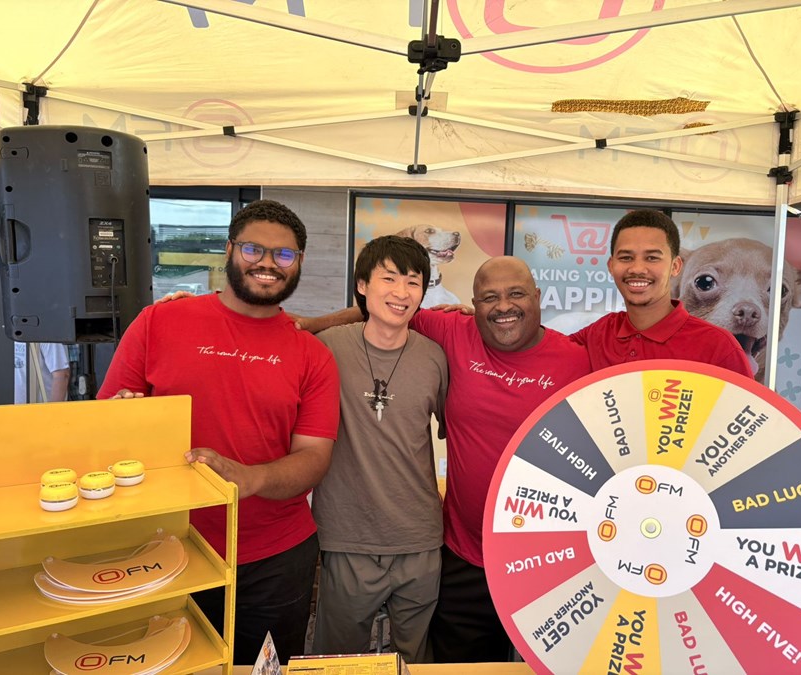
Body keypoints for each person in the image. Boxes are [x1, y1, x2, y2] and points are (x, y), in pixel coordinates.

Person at [299, 256, 593, 663]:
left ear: (538, 296)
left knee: (542, 664)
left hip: (543, 559)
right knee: (455, 665)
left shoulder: (577, 361)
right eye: (489, 298)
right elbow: (388, 310)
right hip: (463, 553)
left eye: (516, 294)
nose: (503, 306)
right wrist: (308, 324)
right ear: (474, 303)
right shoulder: (453, 330)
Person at [97, 199, 340, 666]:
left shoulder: (313, 355)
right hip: (163, 546)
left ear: (299, 262)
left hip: (274, 560)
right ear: (229, 250)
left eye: (283, 254)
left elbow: (314, 457)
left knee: (263, 669)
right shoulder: (159, 322)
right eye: (253, 249)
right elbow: (105, 420)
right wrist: (122, 422)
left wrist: (251, 478)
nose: (267, 263)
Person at [310, 235, 448, 663]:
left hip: (420, 537)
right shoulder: (328, 347)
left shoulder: (435, 357)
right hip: (348, 536)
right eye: (388, 278)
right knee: (337, 661)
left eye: (413, 282)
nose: (401, 292)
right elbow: (271, 328)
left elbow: (454, 430)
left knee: (415, 659)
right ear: (362, 285)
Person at [570, 208, 753, 377]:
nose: (637, 268)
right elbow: (553, 354)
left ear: (676, 266)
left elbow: (743, 403)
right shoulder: (597, 335)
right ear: (611, 266)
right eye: (626, 257)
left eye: (652, 258)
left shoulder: (719, 347)